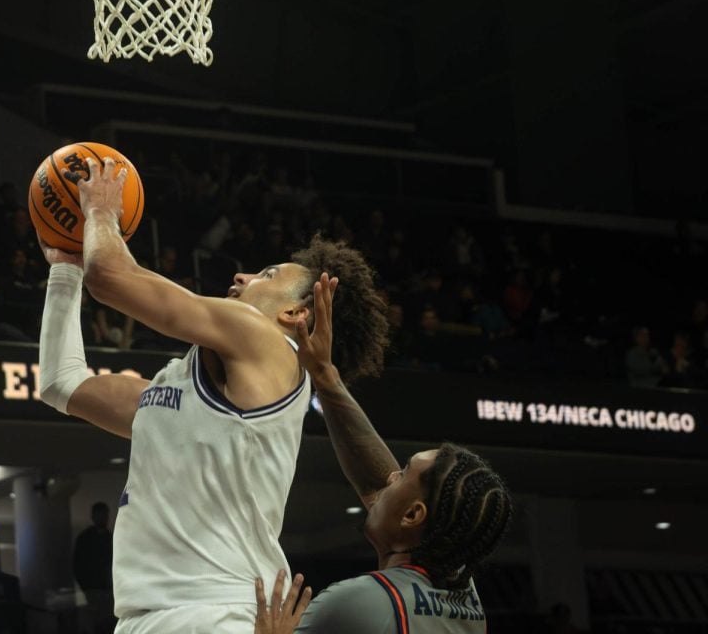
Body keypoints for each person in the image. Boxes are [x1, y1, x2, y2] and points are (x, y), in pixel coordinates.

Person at [37, 156, 388, 633]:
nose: (243, 276)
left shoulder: (269, 344)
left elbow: (113, 278)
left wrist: (100, 211)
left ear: (295, 314)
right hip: (147, 617)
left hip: (216, 611)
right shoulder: (174, 391)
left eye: (266, 274)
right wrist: (64, 271)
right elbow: (61, 383)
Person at [254, 294, 514, 634]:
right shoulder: (462, 592)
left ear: (412, 516)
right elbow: (380, 484)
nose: (390, 474)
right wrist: (325, 375)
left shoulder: (360, 604)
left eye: (403, 474)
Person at [73, 502, 115, 634]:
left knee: (104, 623)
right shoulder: (86, 539)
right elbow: (77, 564)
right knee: (97, 623)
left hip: (105, 590)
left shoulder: (110, 539)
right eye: (100, 515)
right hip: (94, 589)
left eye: (104, 515)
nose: (102, 518)